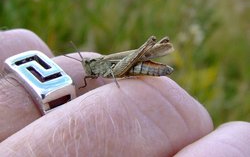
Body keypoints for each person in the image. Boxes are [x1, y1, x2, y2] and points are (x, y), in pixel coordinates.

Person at [0, 29, 249, 156]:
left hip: (131, 64)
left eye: (87, 66)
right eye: (86, 67)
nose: (86, 68)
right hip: (125, 68)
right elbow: (90, 78)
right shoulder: (92, 71)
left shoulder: (104, 65)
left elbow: (116, 71)